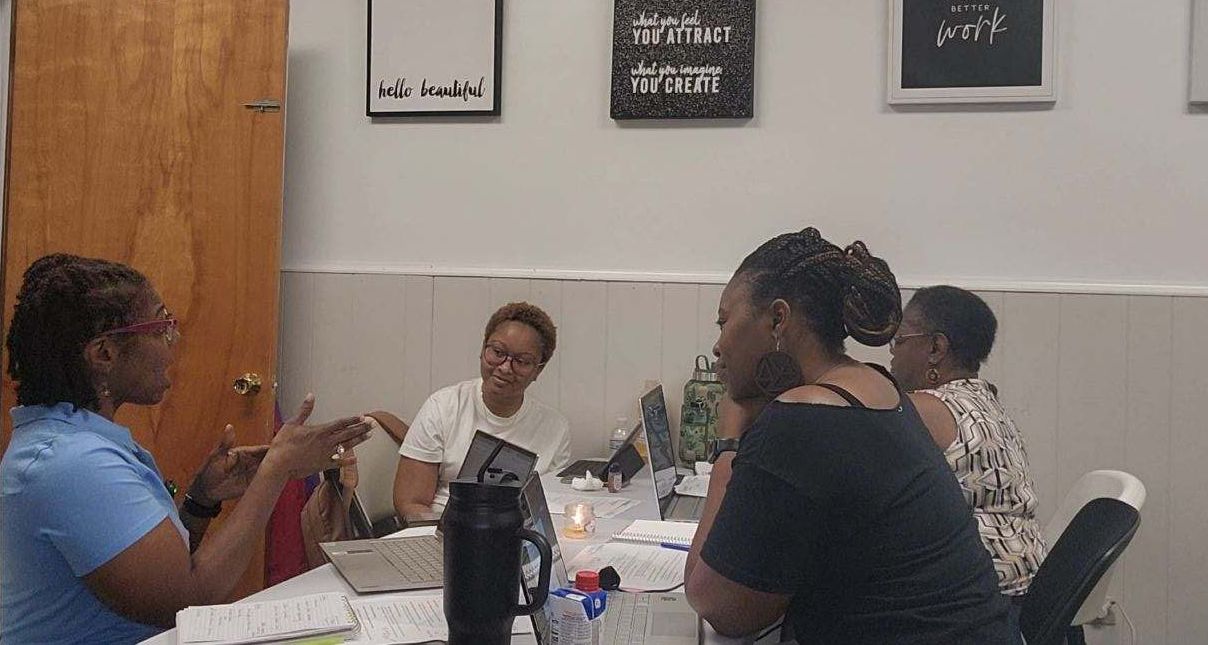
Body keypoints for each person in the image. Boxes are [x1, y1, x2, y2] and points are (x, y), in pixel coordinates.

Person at [0, 254, 373, 643]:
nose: (174, 340)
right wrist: (275, 470)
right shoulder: (71, 464)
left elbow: (161, 573)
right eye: (161, 326)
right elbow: (185, 599)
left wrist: (201, 500)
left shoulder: (73, 441)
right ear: (104, 354)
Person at [683, 228, 1014, 642]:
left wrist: (729, 444)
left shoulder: (802, 419)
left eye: (724, 322)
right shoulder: (877, 386)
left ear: (778, 319)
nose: (717, 346)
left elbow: (717, 605)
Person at [890, 285, 1046, 599]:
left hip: (975, 598)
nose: (892, 352)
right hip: (1026, 585)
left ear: (935, 348)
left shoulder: (925, 409)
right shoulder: (988, 402)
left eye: (900, 339)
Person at [393, 302, 571, 518]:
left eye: (522, 361)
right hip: (445, 528)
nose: (505, 367)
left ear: (538, 371)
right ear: (482, 349)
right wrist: (455, 531)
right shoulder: (443, 407)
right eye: (497, 352)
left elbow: (550, 510)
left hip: (516, 532)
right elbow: (410, 503)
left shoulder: (555, 428)